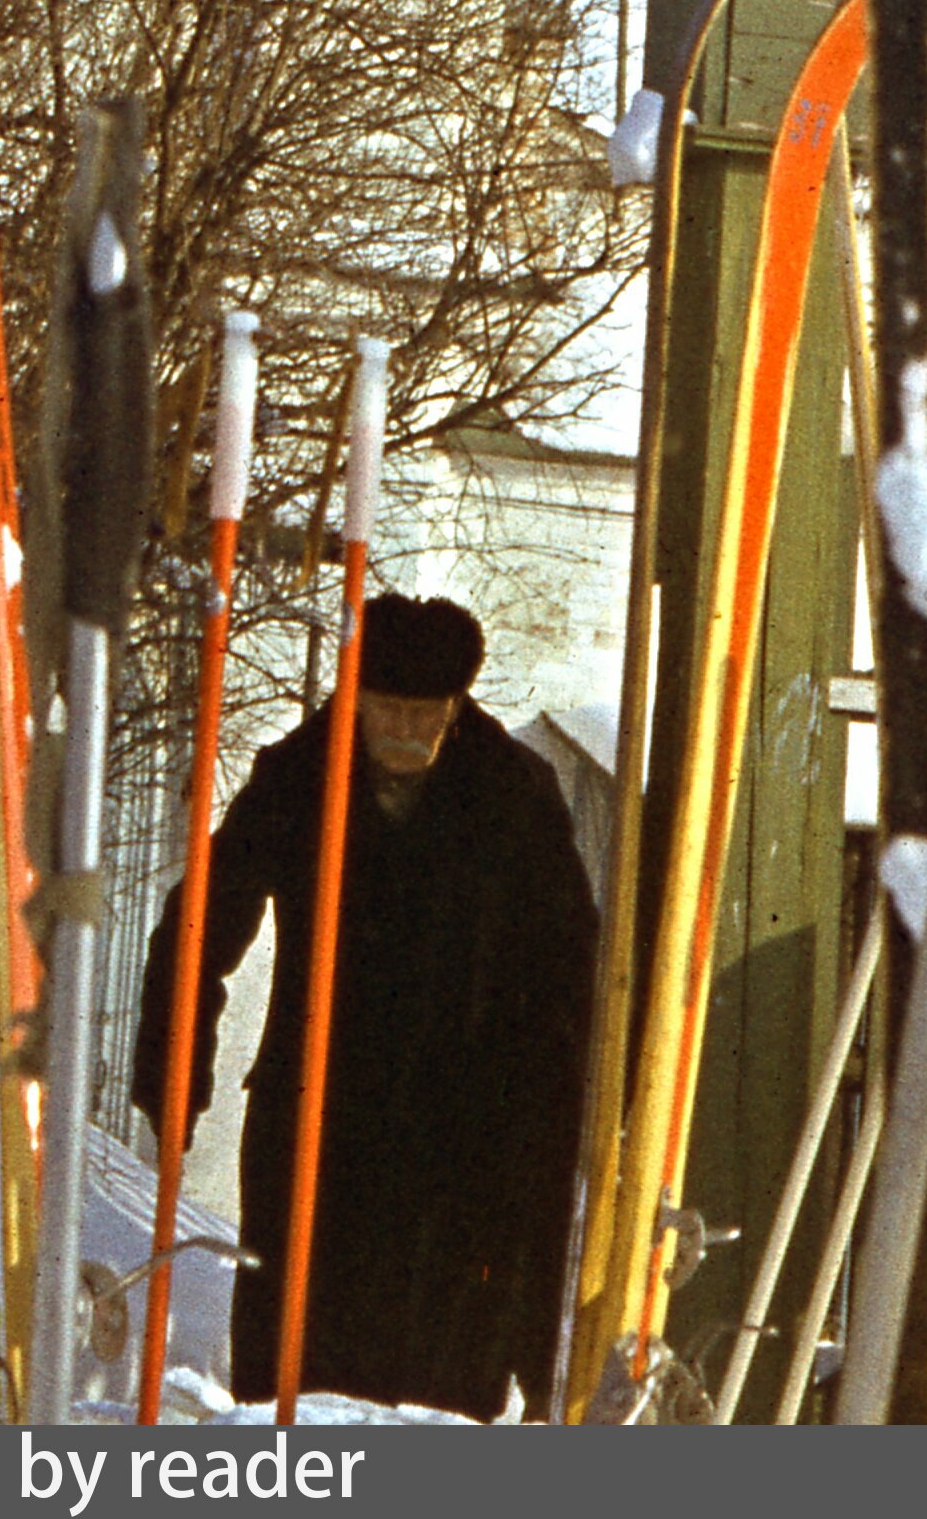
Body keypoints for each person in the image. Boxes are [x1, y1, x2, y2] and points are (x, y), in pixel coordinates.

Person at [129, 589, 596, 1420]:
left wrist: (557, 1124)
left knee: (441, 1386)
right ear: (356, 699)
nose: (406, 731)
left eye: (427, 714)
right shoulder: (298, 779)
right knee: (301, 1369)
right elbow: (199, 925)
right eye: (389, 710)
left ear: (456, 707)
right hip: (319, 1111)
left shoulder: (514, 795)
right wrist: (174, 1077)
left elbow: (569, 968)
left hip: (463, 1138)